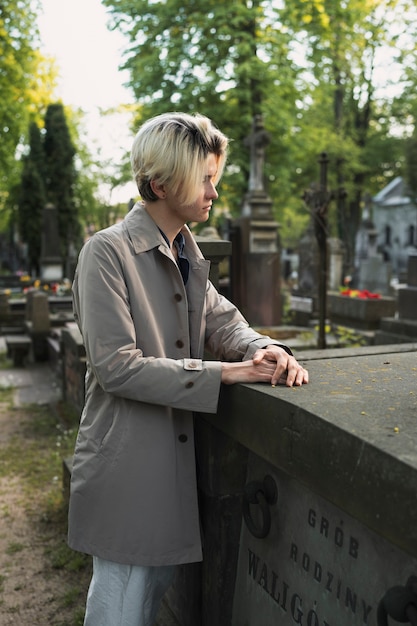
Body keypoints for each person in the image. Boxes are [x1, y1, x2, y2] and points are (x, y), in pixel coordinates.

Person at [68, 111, 309, 626]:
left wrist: (263, 349)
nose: (213, 193)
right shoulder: (106, 254)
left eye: (214, 180)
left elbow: (225, 323)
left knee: (147, 601)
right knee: (119, 609)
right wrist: (228, 374)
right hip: (126, 468)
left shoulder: (184, 252)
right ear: (159, 183)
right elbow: (117, 368)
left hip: (169, 469)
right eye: (204, 179)